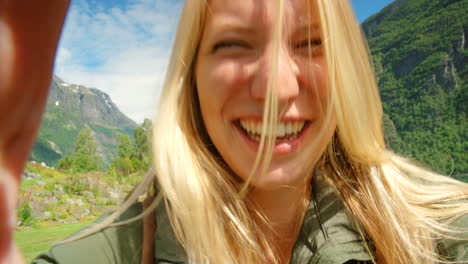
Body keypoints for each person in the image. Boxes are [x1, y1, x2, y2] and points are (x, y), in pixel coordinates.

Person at [1, 0, 467, 263]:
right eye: (233, 45)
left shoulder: (441, 234)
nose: (277, 88)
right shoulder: (109, 254)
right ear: (191, 79)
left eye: (311, 43)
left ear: (348, 68)